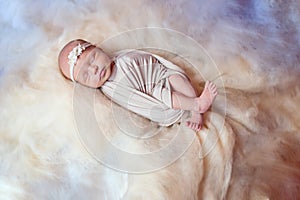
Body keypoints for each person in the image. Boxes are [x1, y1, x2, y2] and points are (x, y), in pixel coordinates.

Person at [58, 39, 218, 131]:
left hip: (161, 74)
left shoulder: (118, 57)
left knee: (180, 80)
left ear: (98, 48)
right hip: (151, 91)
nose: (94, 69)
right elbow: (136, 101)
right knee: (169, 97)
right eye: (86, 75)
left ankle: (197, 112)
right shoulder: (111, 87)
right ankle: (198, 104)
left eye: (93, 58)